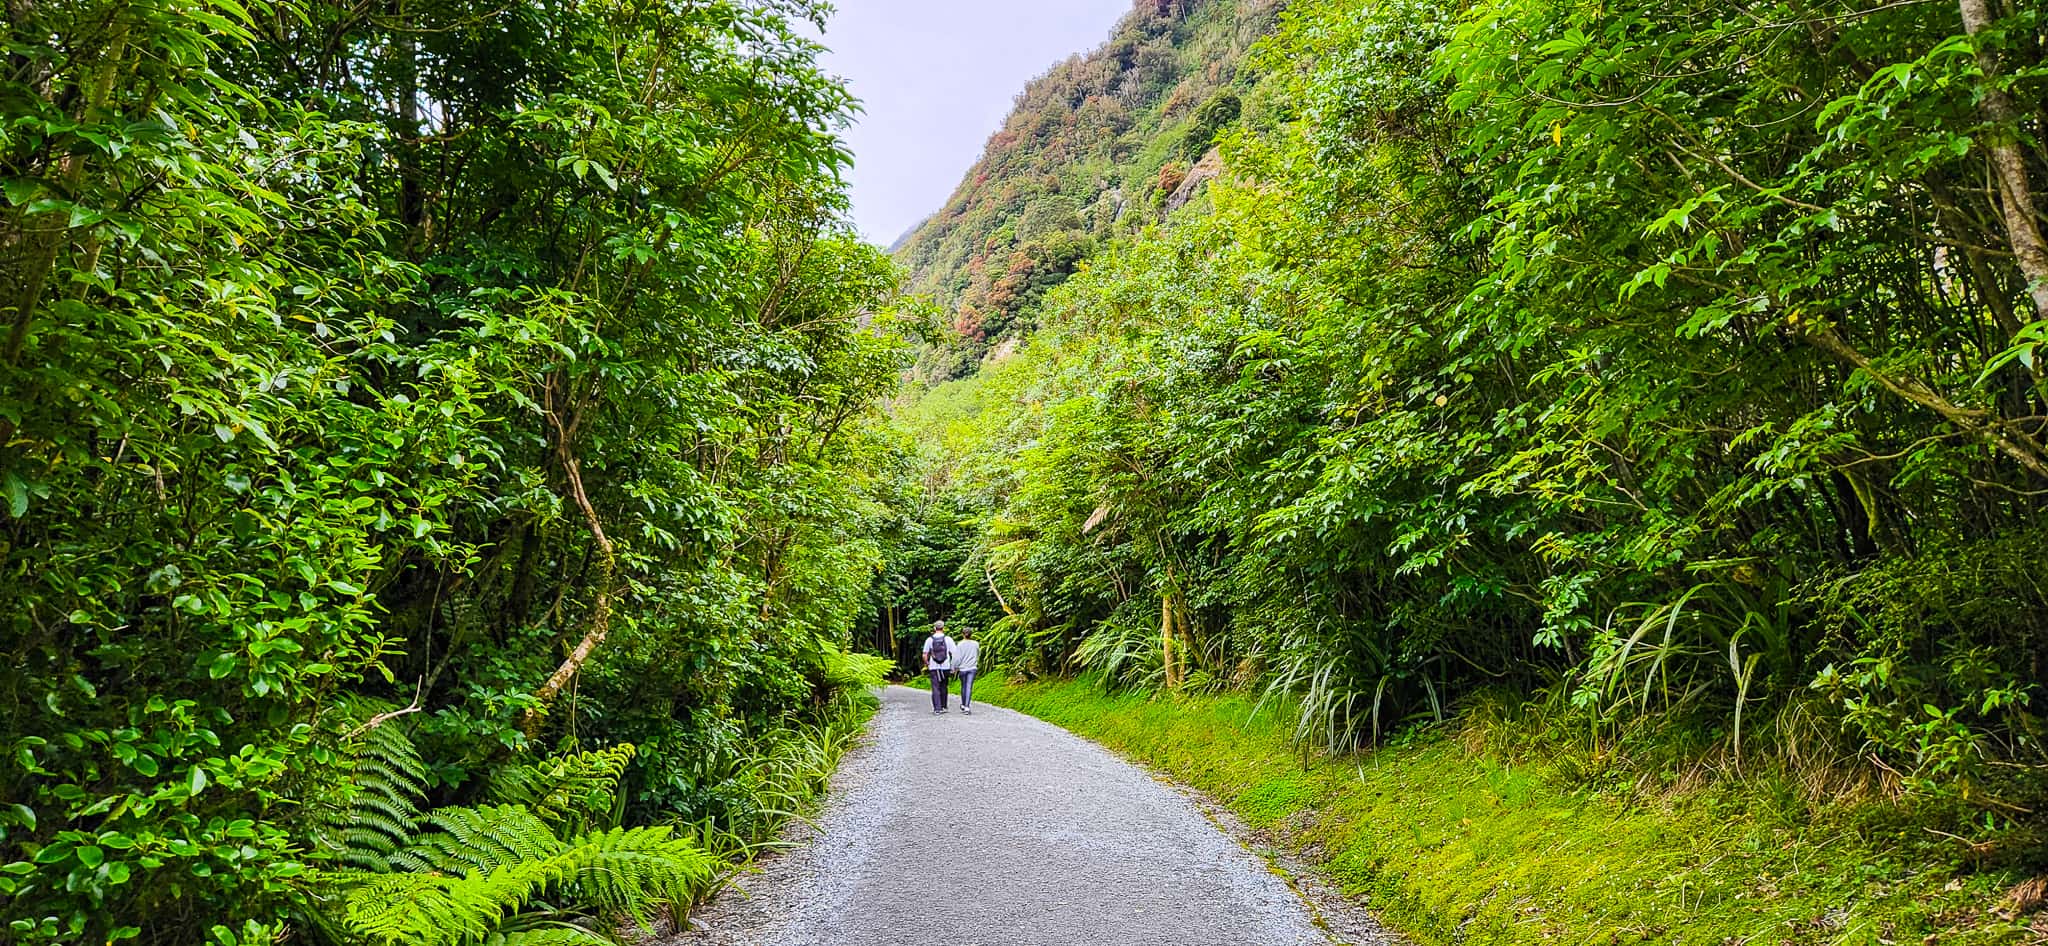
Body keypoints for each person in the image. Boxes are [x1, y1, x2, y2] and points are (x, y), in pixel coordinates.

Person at [921, 620, 954, 715]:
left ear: (934, 628)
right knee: (944, 686)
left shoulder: (929, 640)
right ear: (943, 628)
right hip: (946, 666)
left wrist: (927, 663)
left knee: (935, 687)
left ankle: (937, 709)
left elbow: (924, 654)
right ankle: (944, 706)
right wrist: (953, 666)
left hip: (934, 667)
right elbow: (954, 653)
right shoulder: (948, 639)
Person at [952, 628, 980, 715]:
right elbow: (978, 654)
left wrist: (954, 667)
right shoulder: (976, 644)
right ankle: (966, 706)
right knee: (969, 687)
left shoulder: (960, 644)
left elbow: (957, 658)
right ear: (971, 634)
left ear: (962, 634)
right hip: (972, 668)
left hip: (963, 669)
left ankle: (964, 705)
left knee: (963, 686)